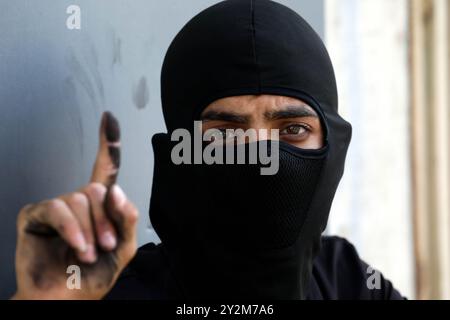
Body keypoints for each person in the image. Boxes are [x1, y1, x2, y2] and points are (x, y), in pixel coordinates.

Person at [12, 0, 404, 300]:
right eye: (225, 135)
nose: (264, 160)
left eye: (294, 129)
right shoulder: (121, 292)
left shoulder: (348, 280)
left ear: (332, 146)